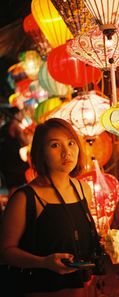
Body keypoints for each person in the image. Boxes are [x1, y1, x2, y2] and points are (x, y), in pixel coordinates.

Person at [0, 118, 104, 297]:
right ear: (41, 153)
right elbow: (5, 252)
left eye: (71, 143)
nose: (67, 152)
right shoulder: (25, 198)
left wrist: (106, 244)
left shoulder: (83, 189)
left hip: (83, 290)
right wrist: (43, 262)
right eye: (55, 145)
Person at [0, 106, 32, 195]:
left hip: (4, 160)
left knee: (12, 186)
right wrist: (30, 136)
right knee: (22, 180)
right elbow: (25, 142)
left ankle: (12, 205)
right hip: (14, 161)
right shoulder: (15, 126)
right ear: (16, 115)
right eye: (21, 114)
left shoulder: (5, 126)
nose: (22, 116)